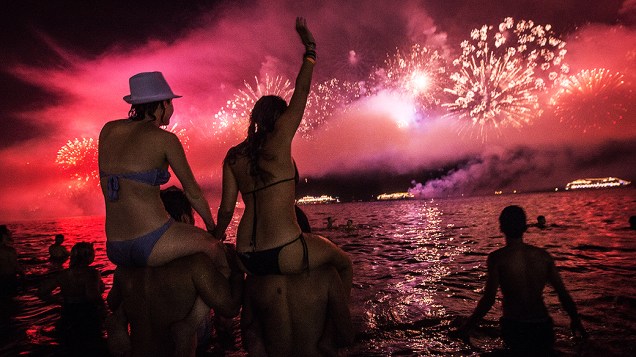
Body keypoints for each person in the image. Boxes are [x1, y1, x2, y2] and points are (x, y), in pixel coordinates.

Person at [213, 19, 352, 294]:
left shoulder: (233, 156)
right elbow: (302, 90)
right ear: (279, 118)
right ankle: (340, 332)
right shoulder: (280, 138)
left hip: (246, 256)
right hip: (283, 249)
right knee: (344, 262)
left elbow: (227, 209)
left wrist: (216, 238)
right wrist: (310, 49)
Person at [98, 71, 228, 271]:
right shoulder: (166, 140)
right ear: (163, 104)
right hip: (151, 240)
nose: (172, 109)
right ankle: (226, 302)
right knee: (215, 249)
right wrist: (212, 228)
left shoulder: (107, 130)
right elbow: (193, 192)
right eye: (171, 103)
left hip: (114, 245)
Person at [106, 187, 244, 356]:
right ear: (185, 218)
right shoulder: (195, 264)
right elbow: (230, 308)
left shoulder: (126, 268)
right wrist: (236, 269)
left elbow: (112, 302)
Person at [455, 205, 587, 355]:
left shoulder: (497, 258)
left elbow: (488, 300)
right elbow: (563, 294)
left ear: (501, 228)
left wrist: (467, 327)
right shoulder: (544, 256)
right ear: (525, 228)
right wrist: (576, 320)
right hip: (543, 326)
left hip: (515, 327)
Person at [241, 266, 354, 356]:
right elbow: (346, 336)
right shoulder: (327, 274)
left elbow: (246, 342)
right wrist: (329, 332)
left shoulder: (254, 279)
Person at [38, 242, 107, 356]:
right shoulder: (91, 273)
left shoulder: (63, 274)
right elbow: (92, 295)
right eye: (93, 253)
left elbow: (41, 292)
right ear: (88, 256)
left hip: (68, 312)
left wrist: (58, 300)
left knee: (70, 346)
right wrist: (105, 311)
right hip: (87, 313)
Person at [0, 225, 23, 297]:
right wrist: (23, 275)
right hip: (8, 279)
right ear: (4, 236)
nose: (10, 233)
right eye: (8, 232)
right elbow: (15, 266)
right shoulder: (9, 250)